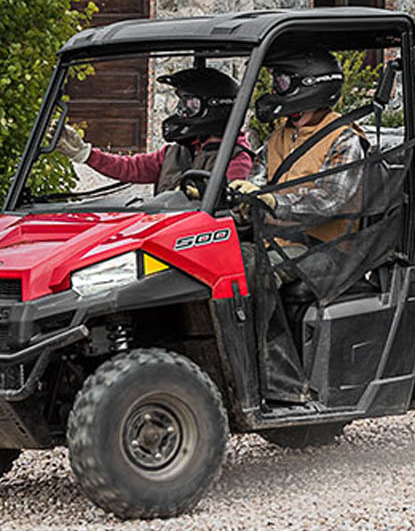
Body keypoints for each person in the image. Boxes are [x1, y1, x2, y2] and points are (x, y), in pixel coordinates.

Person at [246, 49, 369, 405]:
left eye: (282, 82)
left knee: (255, 272)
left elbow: (331, 199)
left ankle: (281, 383)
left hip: (324, 249)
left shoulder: (344, 140)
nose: (276, 90)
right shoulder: (278, 137)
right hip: (278, 241)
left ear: (311, 87)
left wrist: (274, 202)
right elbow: (257, 181)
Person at [55, 67, 253, 193]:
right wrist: (85, 154)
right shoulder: (177, 153)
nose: (182, 112)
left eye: (191, 105)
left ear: (216, 106)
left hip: (207, 249)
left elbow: (229, 203)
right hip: (166, 245)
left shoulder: (237, 157)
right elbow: (130, 168)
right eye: (181, 103)